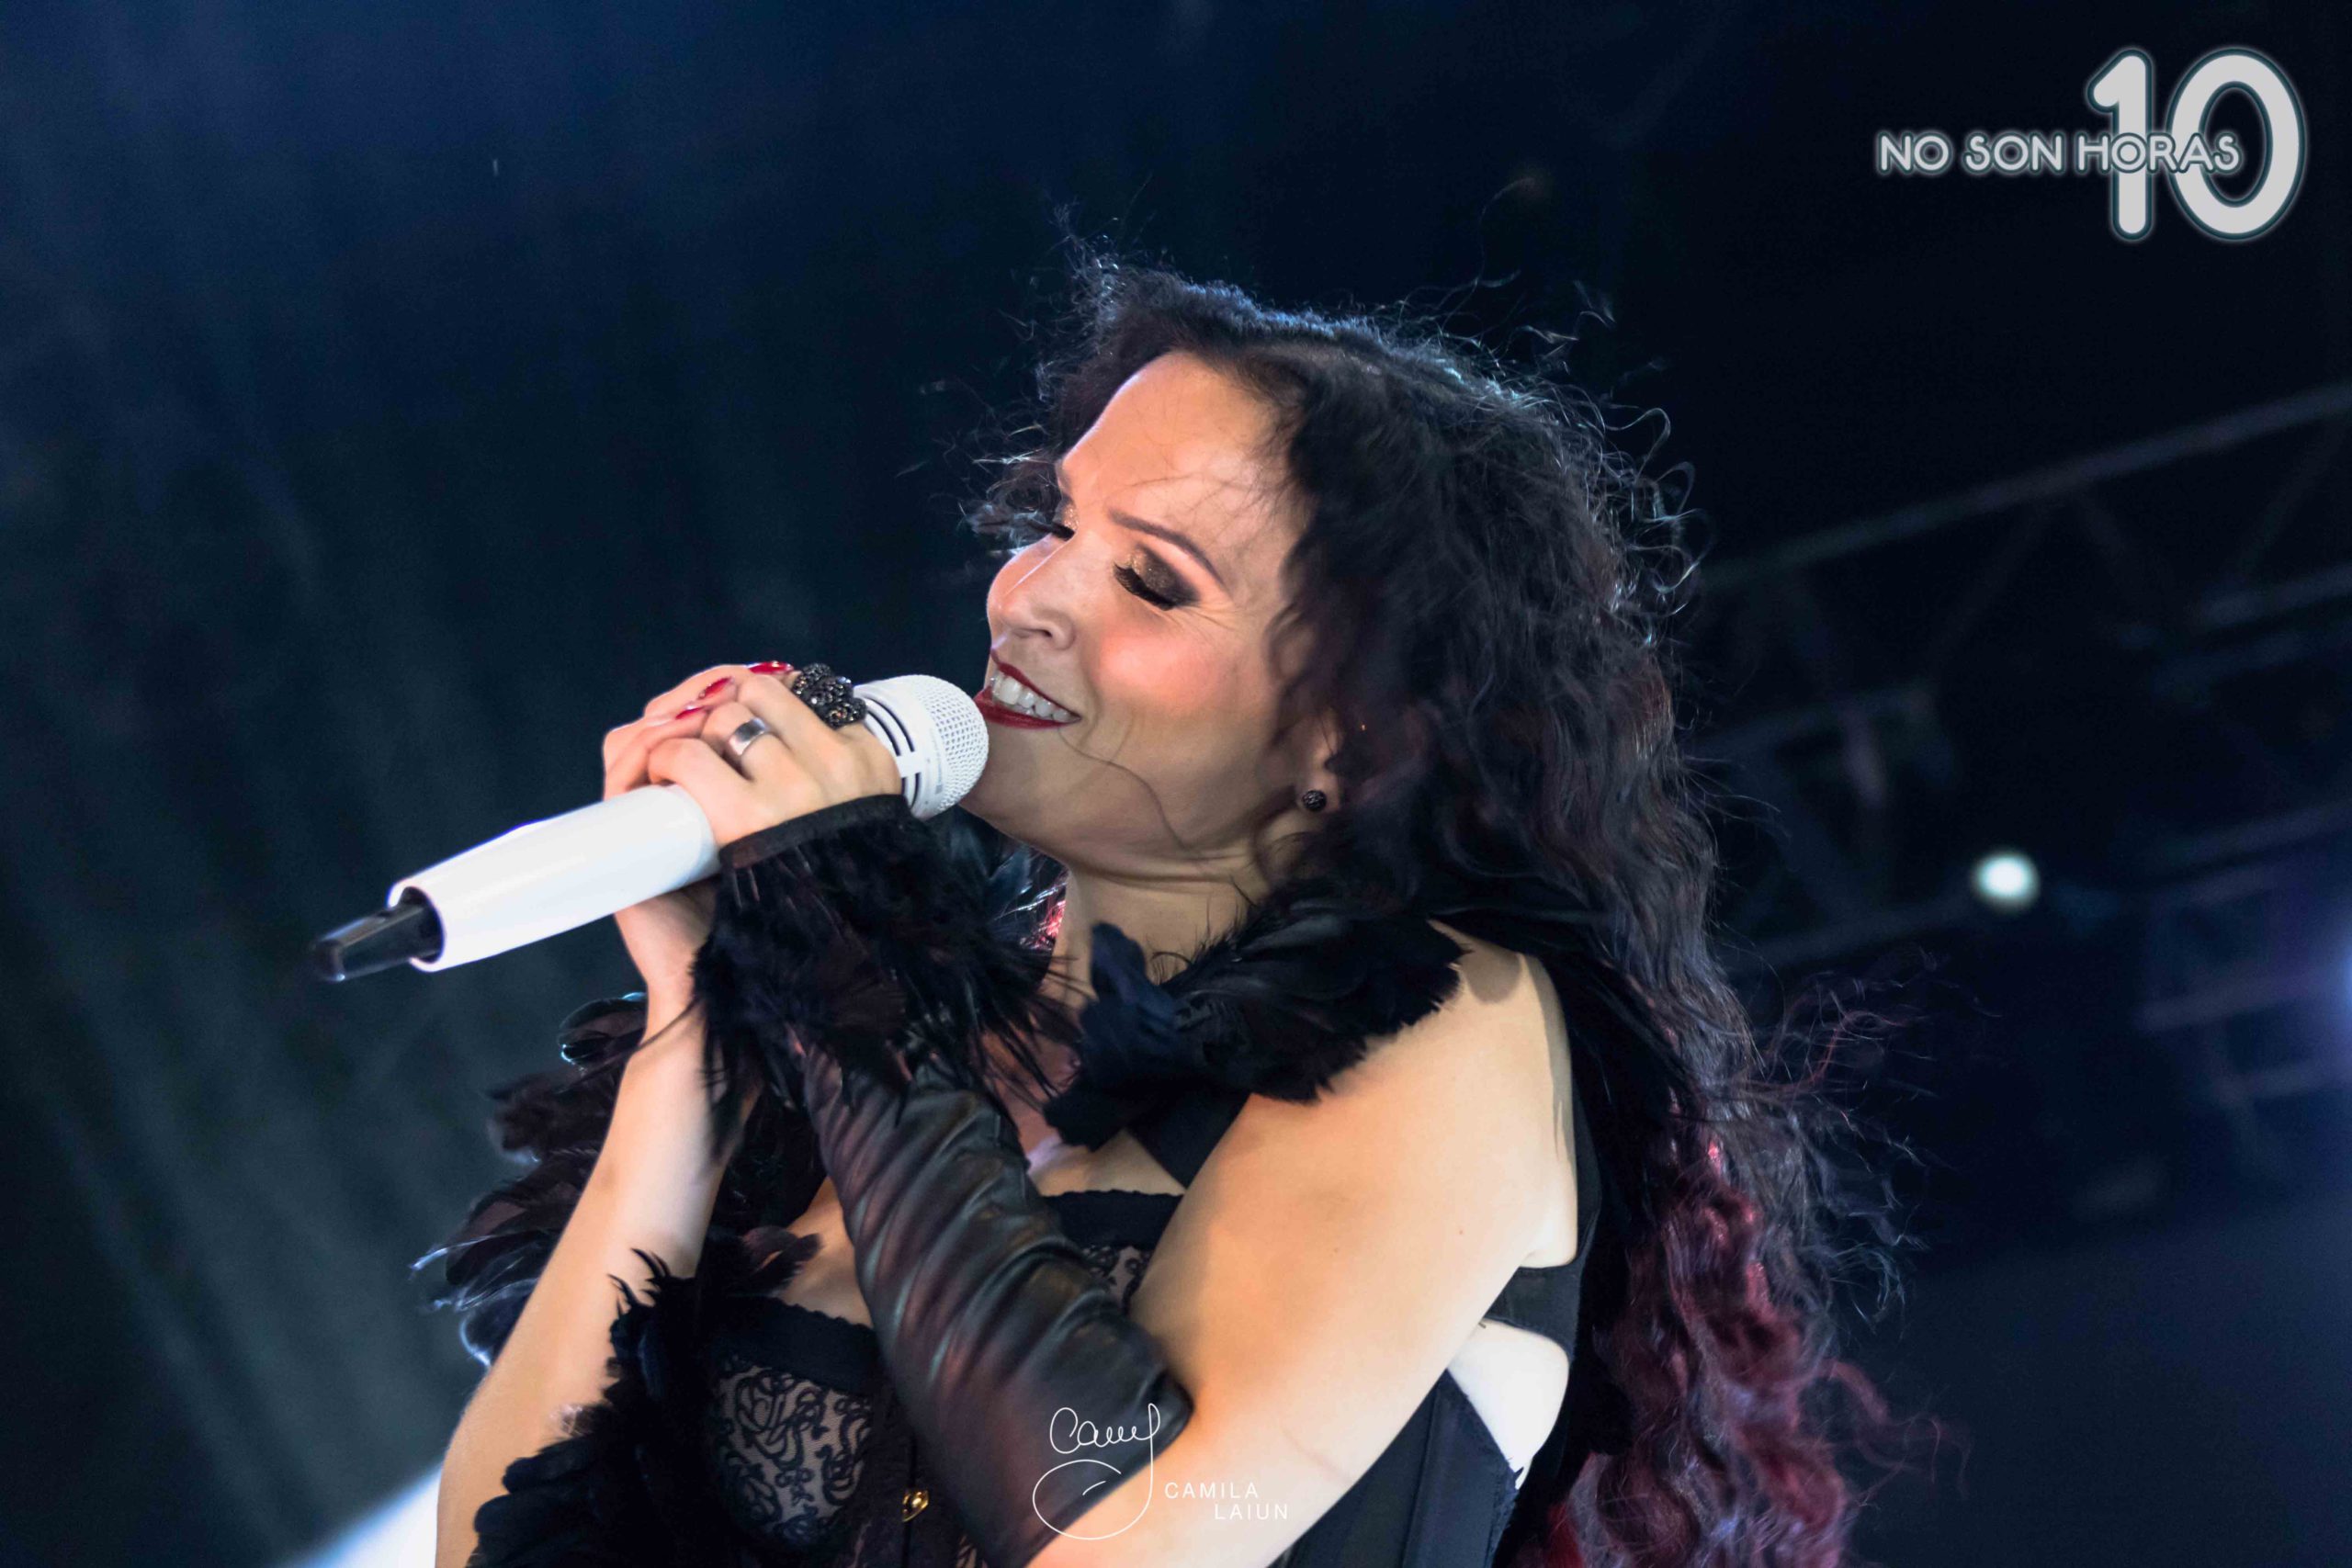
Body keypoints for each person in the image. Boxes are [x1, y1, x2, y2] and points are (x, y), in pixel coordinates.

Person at [422, 243, 1938, 1568]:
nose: (1027, 596)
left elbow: (1111, 1530)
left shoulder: (1450, 1018)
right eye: (1054, 520)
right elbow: (504, 1547)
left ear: (1354, 735)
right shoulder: (883, 1022)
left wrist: (849, 980)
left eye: (1150, 583)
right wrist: (699, 1029)